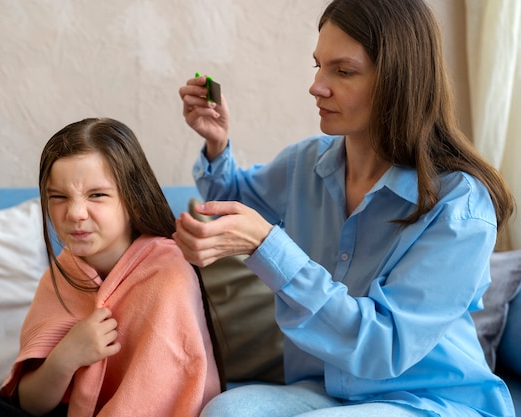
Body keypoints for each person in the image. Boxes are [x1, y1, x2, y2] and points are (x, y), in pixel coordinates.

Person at [174, 0, 516, 416]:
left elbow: (383, 346)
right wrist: (217, 143)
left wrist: (268, 245)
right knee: (227, 410)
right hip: (327, 391)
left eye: (343, 70)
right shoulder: (307, 162)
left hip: (430, 401)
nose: (317, 86)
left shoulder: (460, 204)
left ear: (398, 81)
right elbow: (237, 200)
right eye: (318, 65)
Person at [0, 117, 223, 417]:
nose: (75, 213)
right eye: (59, 197)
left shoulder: (169, 273)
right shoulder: (61, 274)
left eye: (97, 195)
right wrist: (65, 357)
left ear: (134, 200)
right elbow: (29, 404)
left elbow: (164, 395)